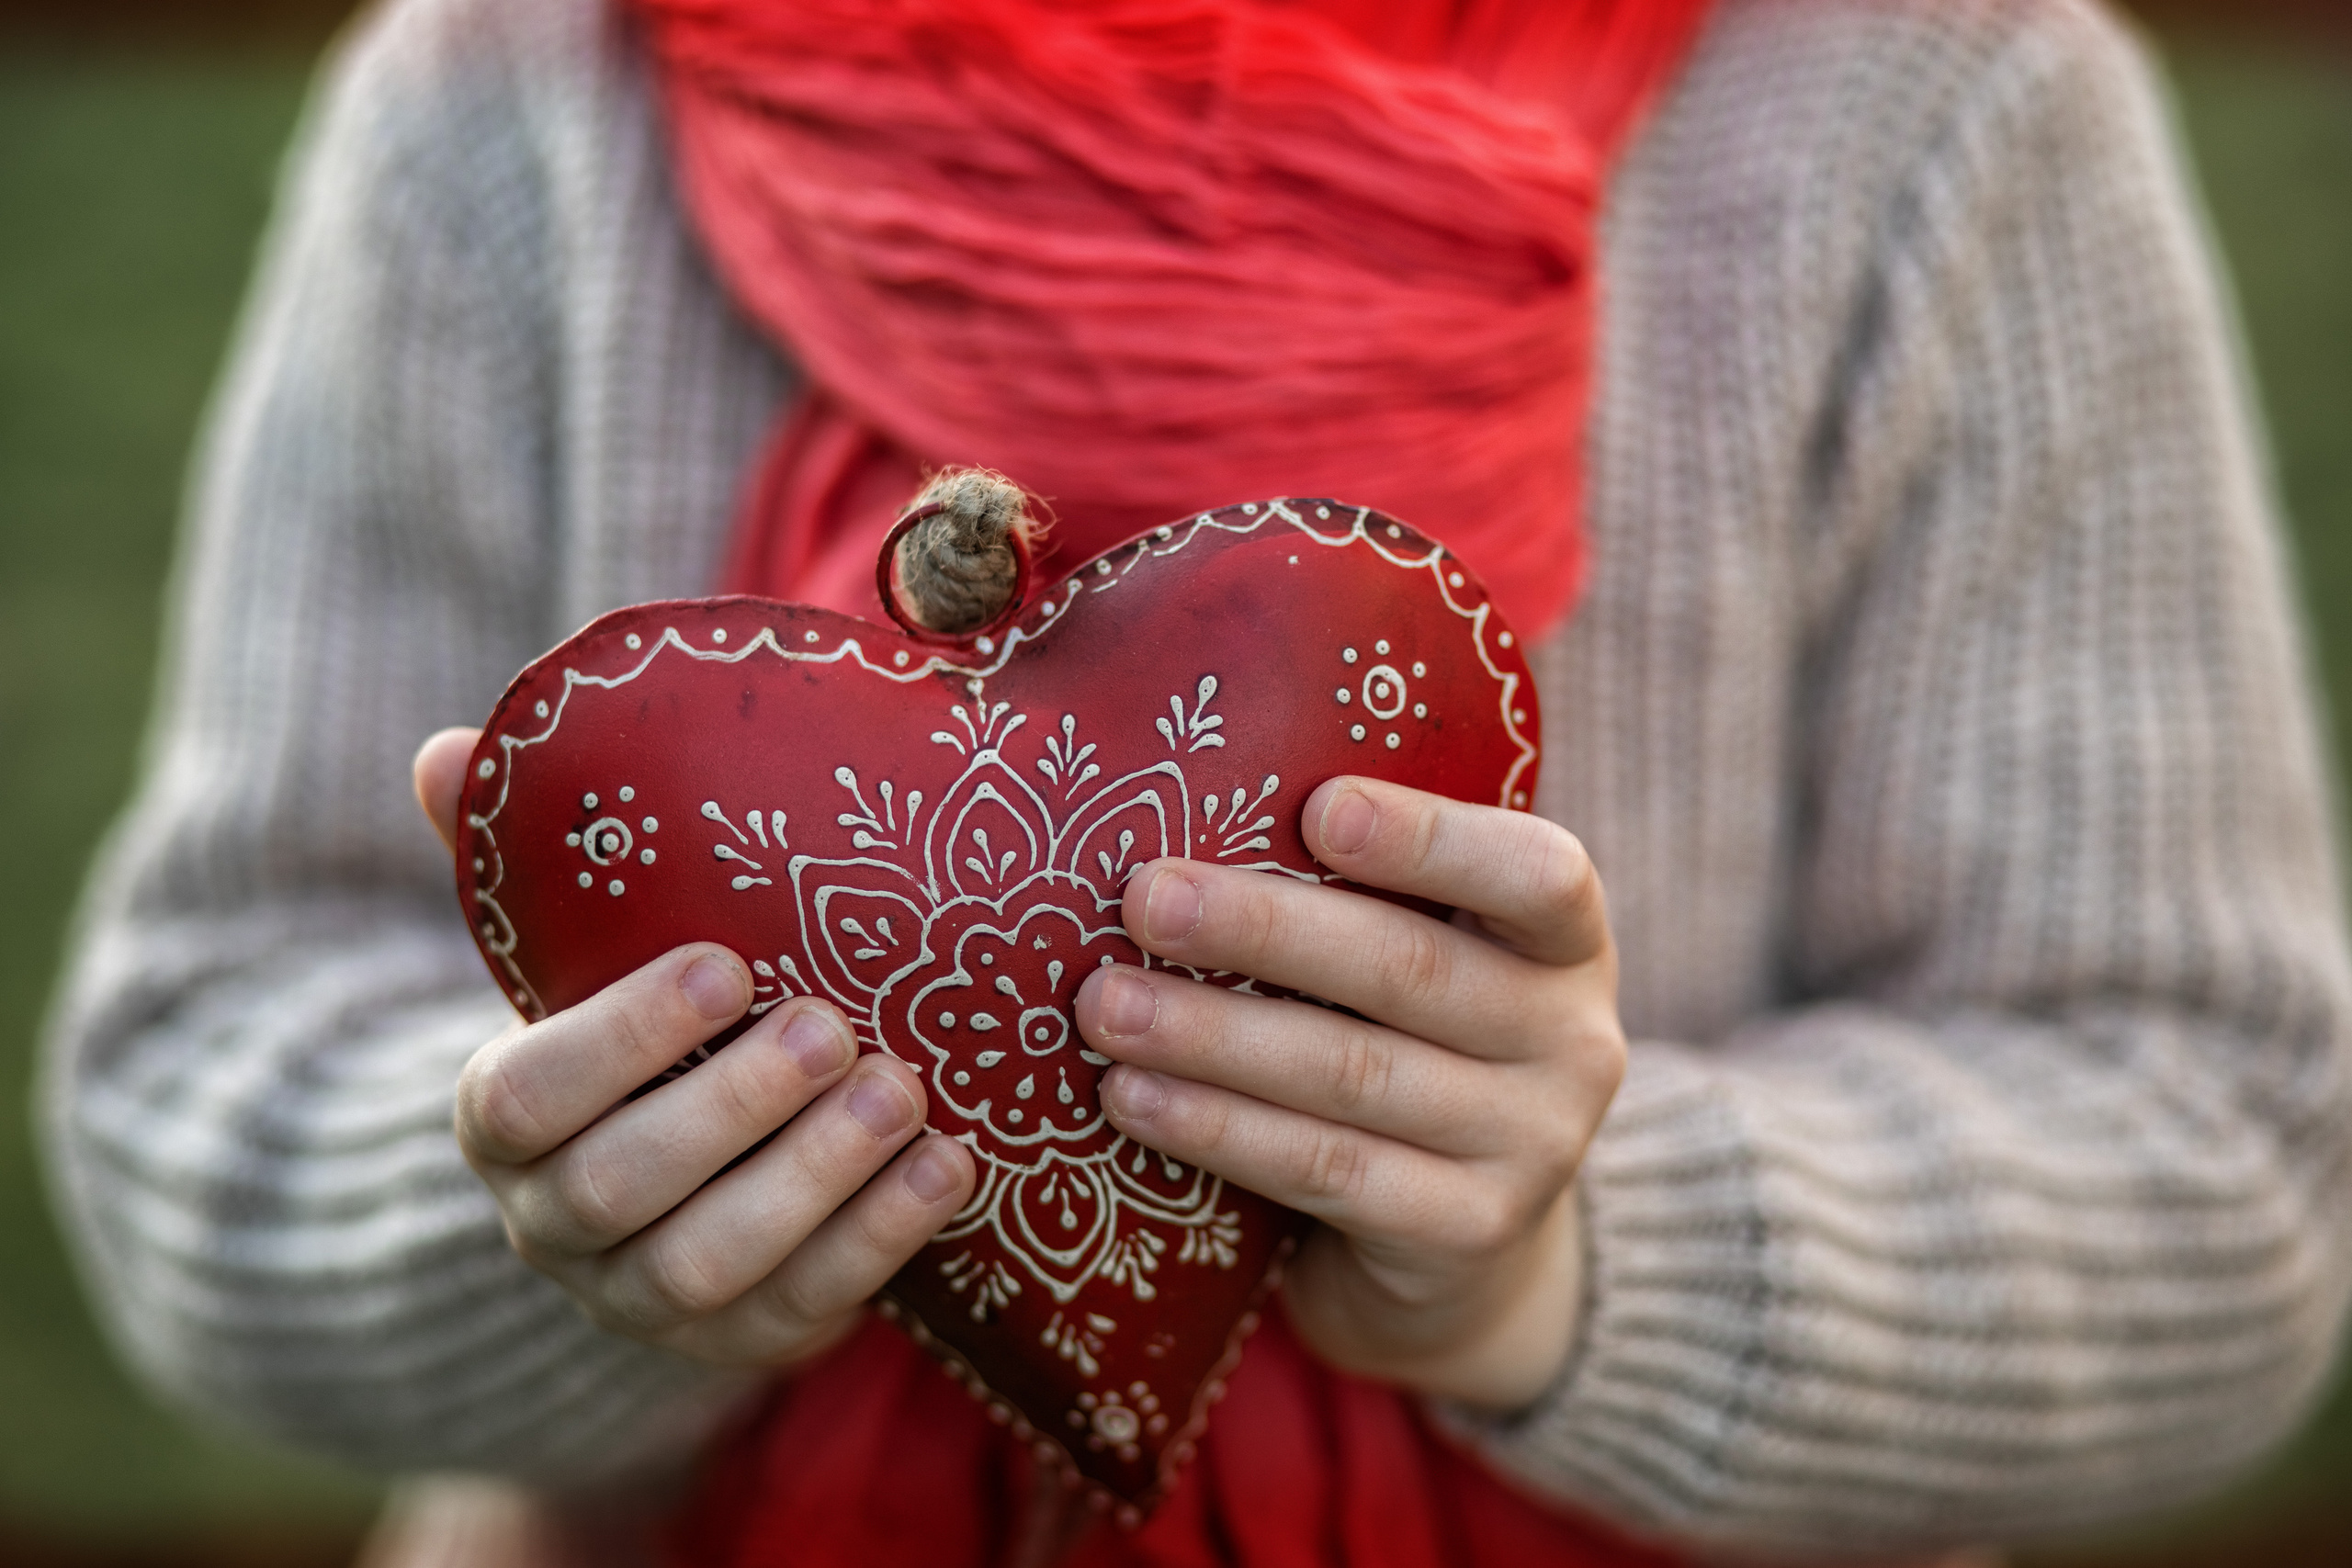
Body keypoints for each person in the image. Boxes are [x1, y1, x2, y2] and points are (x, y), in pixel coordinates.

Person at [38, 0, 2352, 1562]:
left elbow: (2220, 1155)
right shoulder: (514, 91)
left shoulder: (1928, 99)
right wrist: (554, 1216)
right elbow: (188, 1071)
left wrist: (1563, 1264)